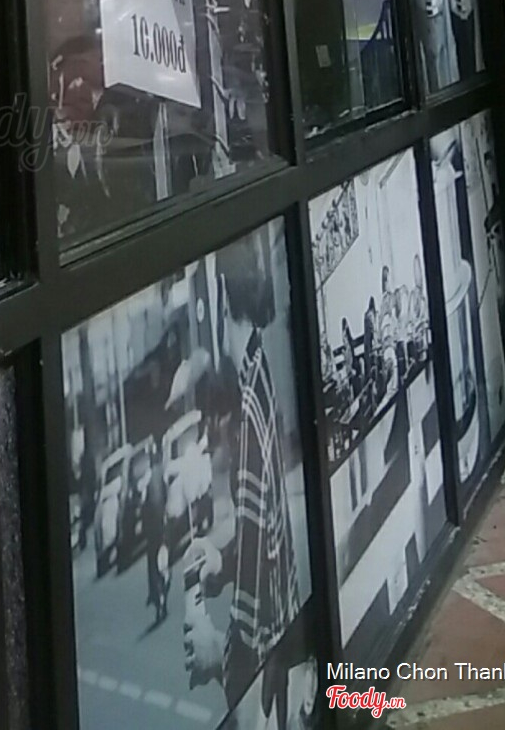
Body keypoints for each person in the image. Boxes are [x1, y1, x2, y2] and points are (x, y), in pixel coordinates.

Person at [181, 234, 300, 712]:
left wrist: (216, 653)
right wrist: (221, 561)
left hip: (267, 674)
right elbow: (259, 539)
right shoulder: (259, 370)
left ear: (220, 302)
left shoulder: (247, 410)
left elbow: (251, 620)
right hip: (282, 651)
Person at [143, 448, 169, 622]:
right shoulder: (161, 474)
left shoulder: (149, 478)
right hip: (161, 526)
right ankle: (161, 596)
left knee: (153, 564)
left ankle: (156, 595)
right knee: (164, 562)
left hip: (153, 529)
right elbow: (165, 497)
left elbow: (145, 505)